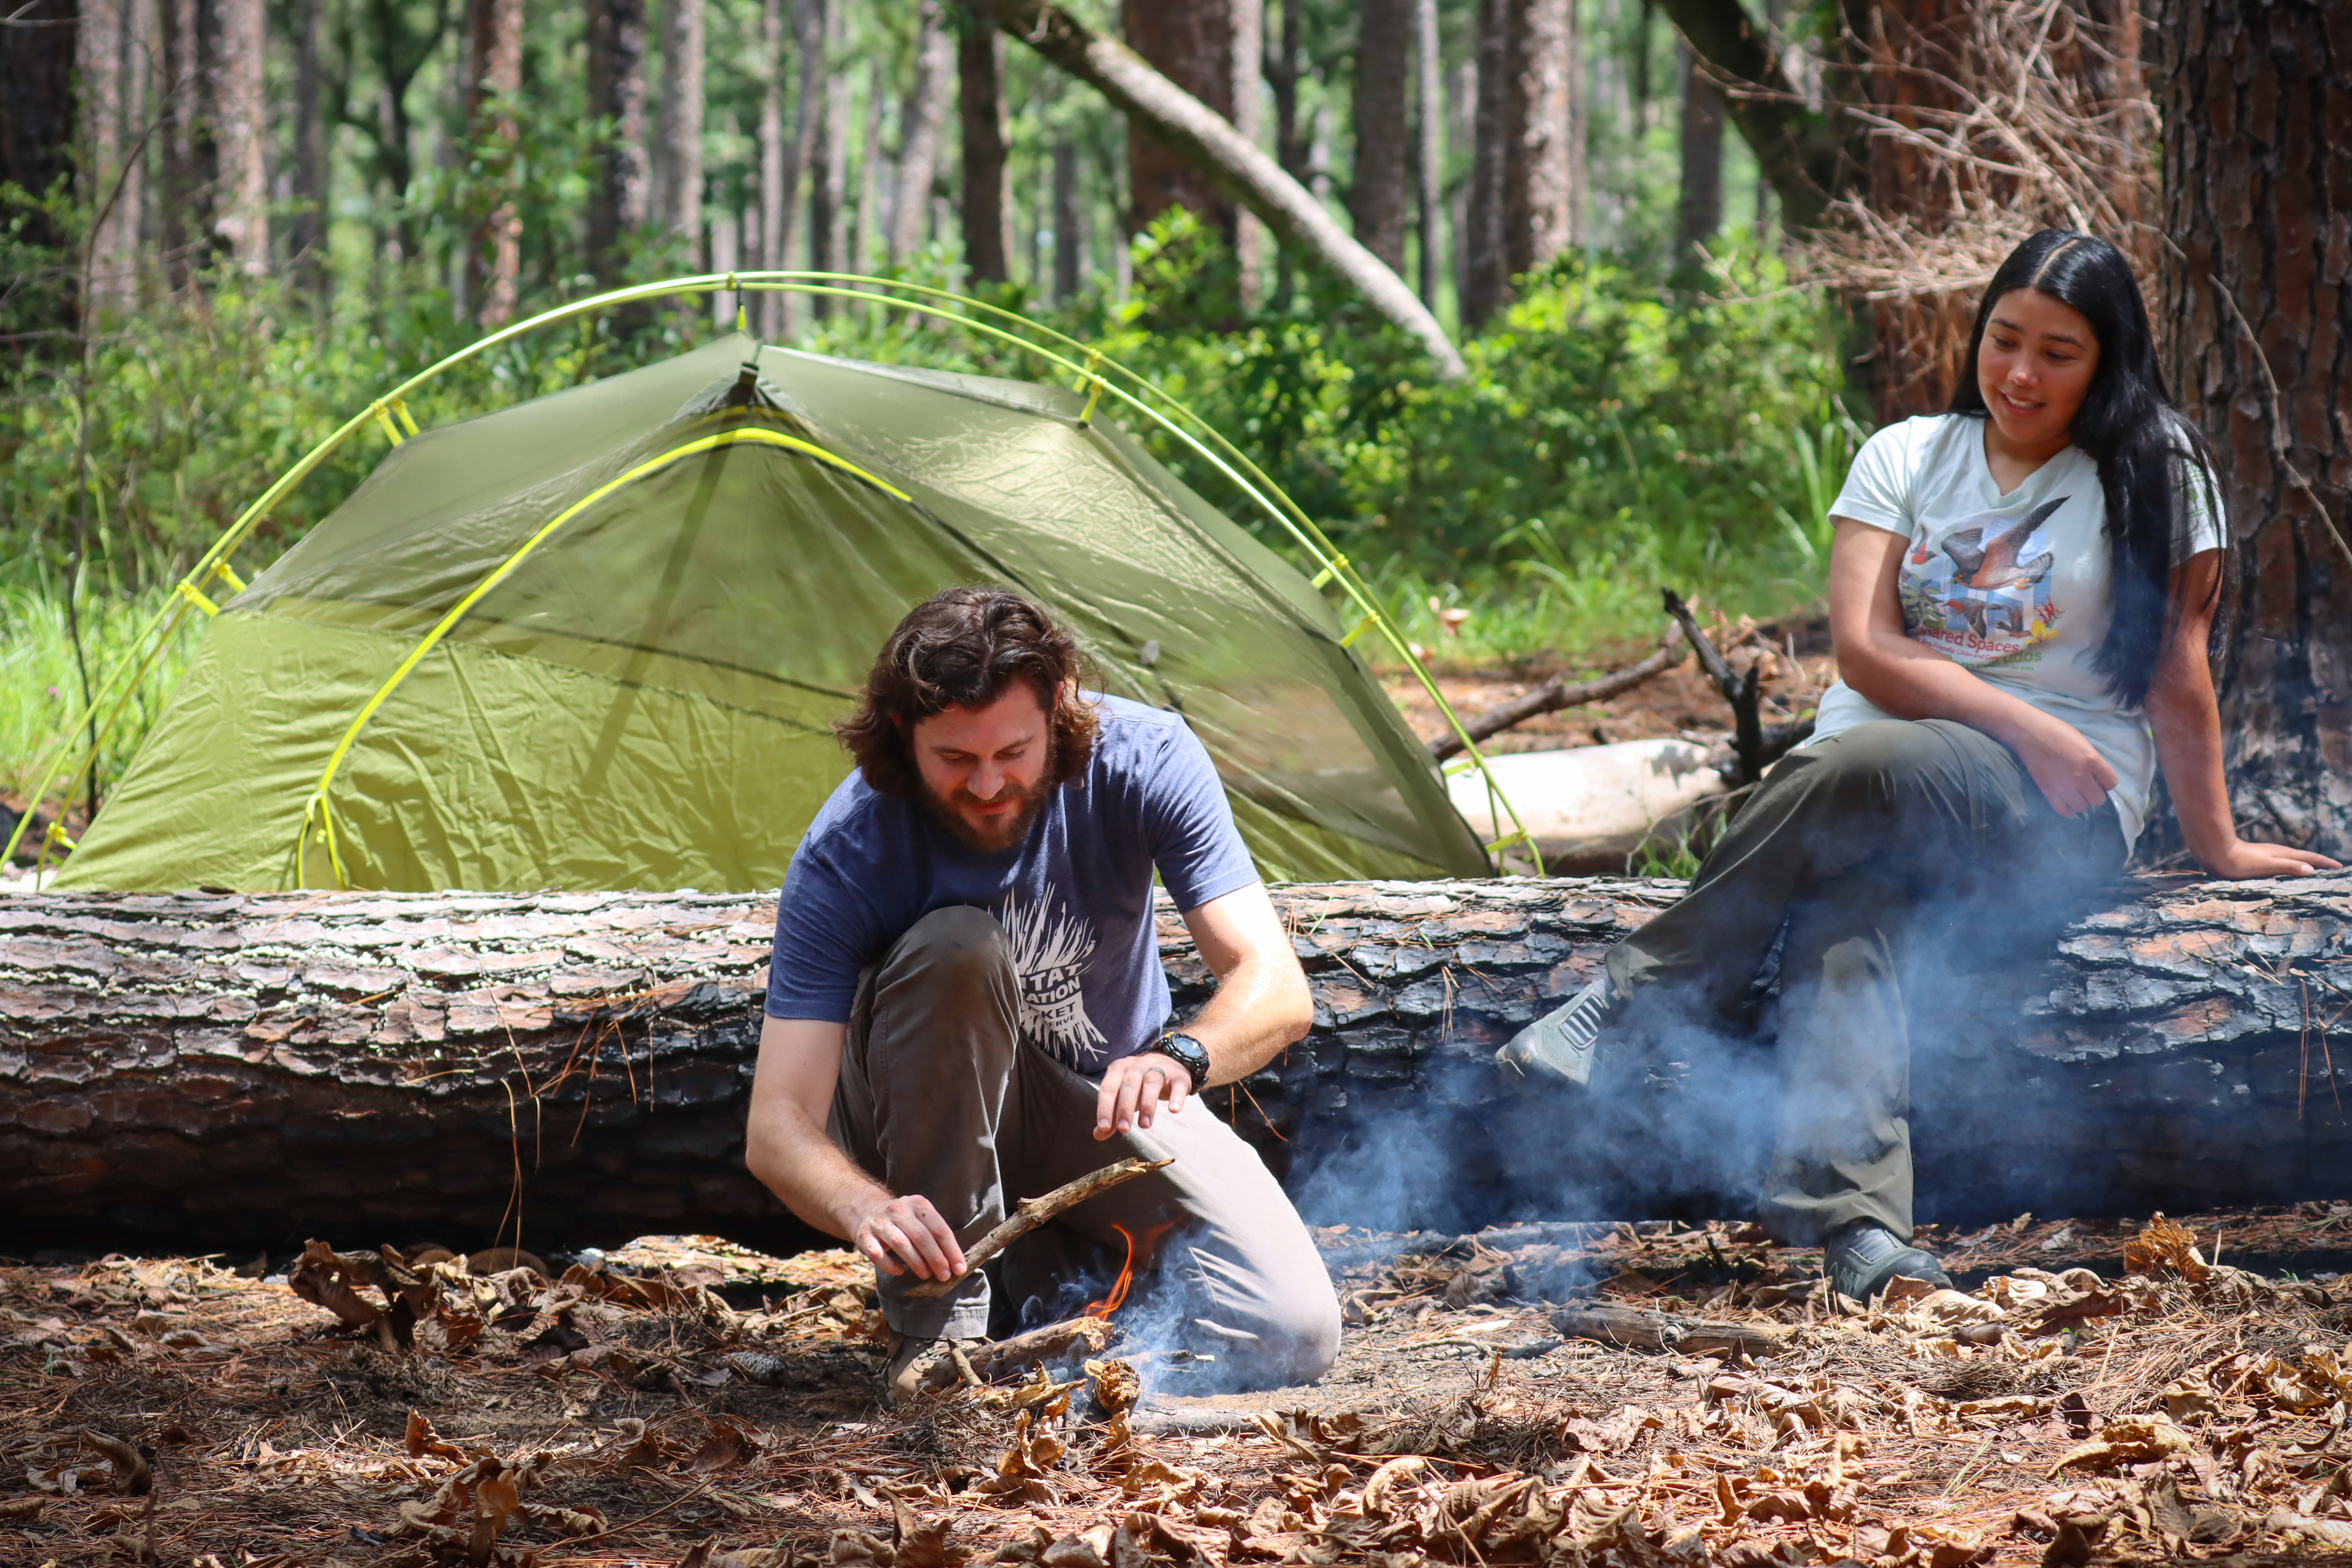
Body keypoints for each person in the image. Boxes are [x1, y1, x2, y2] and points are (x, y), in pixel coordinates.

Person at [1499, 229, 2340, 1301]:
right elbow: (1864, 650)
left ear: (2111, 360)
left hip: (2053, 811)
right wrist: (2018, 716)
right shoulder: (1906, 454)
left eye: (2060, 353)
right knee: (1852, 906)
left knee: (1863, 771)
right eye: (2004, 340)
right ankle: (1857, 1233)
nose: (2021, 374)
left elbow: (2178, 669)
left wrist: (2212, 843)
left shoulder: (2155, 472)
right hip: (1883, 781)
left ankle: (1632, 999)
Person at [744, 587, 1339, 1403]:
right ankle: (940, 1345)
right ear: (900, 736)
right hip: (922, 1131)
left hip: (1103, 1105)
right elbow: (777, 1125)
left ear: (1058, 709)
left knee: (1292, 1330)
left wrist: (1182, 1054)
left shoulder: (1146, 757)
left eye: (1013, 752)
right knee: (958, 948)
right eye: (955, 760)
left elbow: (1275, 987)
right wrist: (861, 1206)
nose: (989, 785)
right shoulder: (850, 848)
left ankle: (1042, 1285)